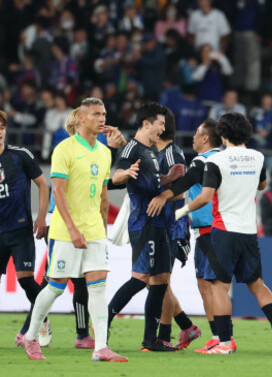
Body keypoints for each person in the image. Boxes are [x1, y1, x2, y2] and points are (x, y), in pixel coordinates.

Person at [175, 113, 272, 355]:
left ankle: (224, 342)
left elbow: (205, 197)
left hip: (224, 230)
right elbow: (262, 186)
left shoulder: (216, 161)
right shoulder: (258, 157)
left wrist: (181, 211)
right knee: (257, 284)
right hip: (249, 231)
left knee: (218, 286)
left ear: (223, 135)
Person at [22, 98, 127, 362]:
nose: (101, 118)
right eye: (95, 114)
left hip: (94, 231)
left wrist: (101, 230)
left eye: (103, 113)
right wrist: (72, 229)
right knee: (55, 287)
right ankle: (31, 336)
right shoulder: (64, 149)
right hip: (65, 230)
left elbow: (103, 194)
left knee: (98, 287)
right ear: (81, 117)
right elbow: (58, 191)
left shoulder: (104, 152)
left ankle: (100, 347)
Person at [0, 109, 49, 348]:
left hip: (21, 228)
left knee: (25, 281)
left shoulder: (20, 155)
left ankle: (43, 319)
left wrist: (41, 217)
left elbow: (43, 185)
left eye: (1, 128)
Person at [107, 102, 184, 352]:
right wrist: (125, 173)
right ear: (146, 123)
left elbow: (152, 181)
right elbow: (115, 176)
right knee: (140, 279)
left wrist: (167, 179)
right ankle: (103, 320)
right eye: (160, 124)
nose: (163, 128)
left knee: (161, 281)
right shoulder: (133, 147)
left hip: (160, 223)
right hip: (143, 222)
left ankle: (151, 341)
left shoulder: (150, 151)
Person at [147, 118, 226, 353]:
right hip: (221, 227)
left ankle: (220, 337)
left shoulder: (201, 162)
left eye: (196, 133)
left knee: (209, 285)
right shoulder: (223, 159)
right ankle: (217, 334)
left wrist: (159, 196)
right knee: (213, 284)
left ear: (205, 138)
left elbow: (180, 190)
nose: (192, 137)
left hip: (209, 228)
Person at [153, 108, 201, 349]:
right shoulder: (159, 152)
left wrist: (157, 196)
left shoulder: (172, 153)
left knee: (160, 281)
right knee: (159, 282)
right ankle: (186, 327)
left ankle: (166, 335)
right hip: (161, 223)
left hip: (172, 224)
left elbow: (180, 191)